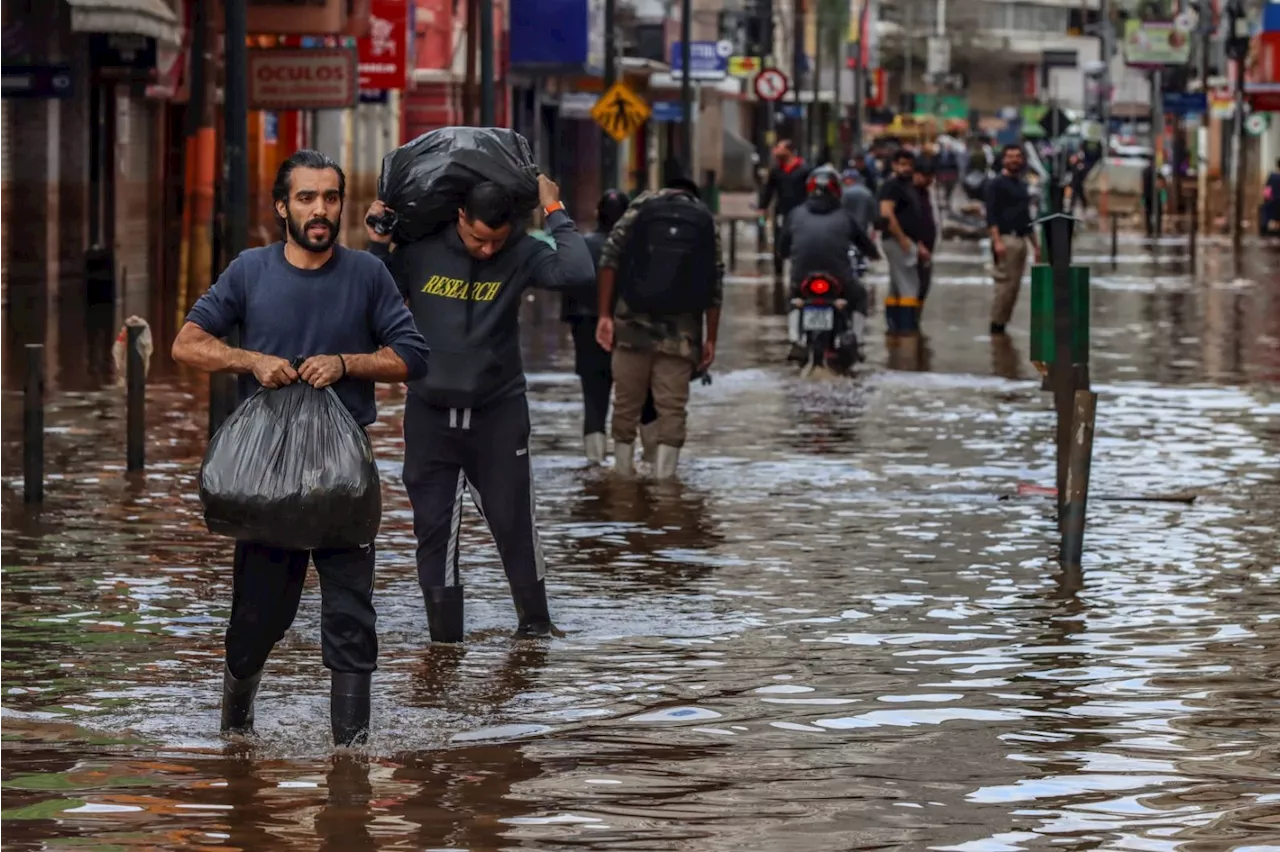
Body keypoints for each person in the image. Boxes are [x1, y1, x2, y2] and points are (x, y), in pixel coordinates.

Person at [171, 149, 431, 746]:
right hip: (266, 479)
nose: (321, 210)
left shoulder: (368, 274)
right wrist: (252, 360)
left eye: (331, 198)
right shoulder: (249, 271)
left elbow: (412, 356)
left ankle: (351, 756)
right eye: (308, 198)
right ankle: (235, 731)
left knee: (351, 617)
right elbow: (187, 344)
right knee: (258, 618)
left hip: (343, 476)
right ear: (281, 206)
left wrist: (346, 363)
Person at [365, 175, 594, 644]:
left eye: (497, 240)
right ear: (459, 218)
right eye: (477, 238)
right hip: (429, 412)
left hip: (498, 412)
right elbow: (371, 295)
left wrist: (554, 209)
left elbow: (578, 273)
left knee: (514, 522)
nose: (487, 250)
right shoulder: (421, 249)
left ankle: (535, 630)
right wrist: (378, 242)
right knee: (434, 529)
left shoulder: (523, 252)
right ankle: (444, 645)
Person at [595, 176, 723, 479]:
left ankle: (623, 479)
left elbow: (609, 258)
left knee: (626, 405)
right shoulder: (704, 218)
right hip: (682, 334)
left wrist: (604, 315)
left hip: (632, 325)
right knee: (672, 409)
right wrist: (711, 339)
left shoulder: (642, 205)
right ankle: (666, 487)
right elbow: (715, 282)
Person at [563, 190, 660, 463]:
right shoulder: (642, 250)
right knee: (644, 397)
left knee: (594, 398)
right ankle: (652, 463)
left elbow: (568, 291)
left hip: (586, 328)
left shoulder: (582, 246)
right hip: (633, 329)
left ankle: (594, 467)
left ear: (598, 213)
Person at [780, 166, 881, 358]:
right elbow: (865, 244)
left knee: (792, 297)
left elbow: (783, 246)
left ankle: (794, 340)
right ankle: (857, 342)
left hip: (802, 278)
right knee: (860, 296)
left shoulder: (795, 214)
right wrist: (874, 254)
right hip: (839, 279)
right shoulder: (845, 216)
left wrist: (785, 254)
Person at [984, 143, 1041, 335]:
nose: (1014, 160)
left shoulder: (1023, 185)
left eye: (1017, 156)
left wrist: (1036, 245)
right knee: (1005, 286)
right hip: (1005, 239)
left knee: (1014, 287)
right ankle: (996, 326)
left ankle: (1003, 326)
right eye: (1010, 156)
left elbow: (1026, 217)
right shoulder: (996, 184)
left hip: (1021, 241)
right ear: (1003, 159)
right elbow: (990, 215)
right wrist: (997, 241)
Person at [876, 149, 930, 334]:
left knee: (896, 286)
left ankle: (894, 329)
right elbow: (886, 213)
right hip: (897, 241)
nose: (906, 168)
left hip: (905, 241)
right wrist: (903, 239)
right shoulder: (891, 186)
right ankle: (907, 331)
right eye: (902, 164)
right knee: (909, 286)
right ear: (894, 165)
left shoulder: (907, 186)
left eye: (909, 165)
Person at [760, 140, 811, 277]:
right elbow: (769, 190)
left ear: (789, 151)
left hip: (800, 211)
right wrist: (763, 206)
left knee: (799, 240)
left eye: (780, 148)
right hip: (782, 210)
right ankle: (778, 268)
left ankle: (798, 268)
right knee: (779, 239)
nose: (776, 151)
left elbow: (809, 190)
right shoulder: (776, 170)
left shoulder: (804, 169)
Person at [913, 161, 939, 316]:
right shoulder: (911, 194)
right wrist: (918, 245)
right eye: (928, 177)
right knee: (917, 287)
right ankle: (909, 322)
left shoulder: (925, 193)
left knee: (923, 287)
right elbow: (909, 222)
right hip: (916, 249)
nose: (931, 181)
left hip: (927, 249)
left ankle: (916, 320)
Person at [840, 168, 877, 235]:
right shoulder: (867, 192)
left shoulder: (844, 193)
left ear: (851, 179)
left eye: (845, 179)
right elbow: (874, 213)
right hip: (864, 230)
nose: (844, 181)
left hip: (847, 230)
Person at [1262, 159, 1280, 235]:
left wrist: (1266, 202)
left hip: (1271, 204)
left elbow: (1266, 192)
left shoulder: (1272, 176)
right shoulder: (1273, 177)